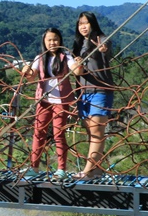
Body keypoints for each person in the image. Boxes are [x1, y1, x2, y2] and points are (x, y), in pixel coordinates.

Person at [18, 28, 77, 181]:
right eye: (49, 40)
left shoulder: (66, 56)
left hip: (61, 101)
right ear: (44, 41)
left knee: (58, 134)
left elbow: (75, 69)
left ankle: (61, 169)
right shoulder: (40, 57)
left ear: (60, 41)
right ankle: (34, 167)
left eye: (55, 39)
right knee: (39, 133)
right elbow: (31, 77)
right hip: (44, 101)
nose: (52, 43)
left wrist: (79, 65)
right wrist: (25, 70)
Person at [71, 12, 114, 179]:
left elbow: (106, 46)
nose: (83, 26)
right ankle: (96, 170)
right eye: (80, 23)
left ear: (93, 24)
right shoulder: (78, 44)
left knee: (96, 131)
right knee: (91, 132)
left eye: (86, 23)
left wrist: (103, 49)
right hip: (83, 93)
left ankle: (87, 171)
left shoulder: (101, 39)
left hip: (100, 90)